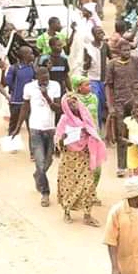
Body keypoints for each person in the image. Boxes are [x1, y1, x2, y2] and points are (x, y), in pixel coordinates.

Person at [106, 39, 138, 177]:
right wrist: (110, 105)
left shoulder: (135, 61)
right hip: (120, 104)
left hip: (137, 103)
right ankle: (121, 166)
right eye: (124, 50)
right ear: (118, 51)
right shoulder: (112, 65)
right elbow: (108, 85)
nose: (127, 53)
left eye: (128, 50)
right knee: (121, 135)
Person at [12, 66, 61, 207]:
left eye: (47, 77)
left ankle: (38, 175)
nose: (45, 80)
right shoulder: (29, 87)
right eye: (43, 78)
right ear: (37, 77)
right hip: (35, 129)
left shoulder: (55, 86)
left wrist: (46, 96)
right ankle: (45, 193)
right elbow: (25, 107)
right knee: (39, 162)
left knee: (48, 161)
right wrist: (17, 127)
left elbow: (57, 109)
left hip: (50, 129)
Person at [55, 93, 106, 226]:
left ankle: (87, 215)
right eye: (70, 103)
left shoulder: (85, 117)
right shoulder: (64, 120)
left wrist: (90, 136)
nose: (74, 105)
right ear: (65, 106)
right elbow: (57, 141)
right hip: (69, 159)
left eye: (75, 102)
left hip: (84, 156)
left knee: (88, 185)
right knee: (68, 186)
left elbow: (94, 132)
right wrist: (63, 139)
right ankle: (66, 211)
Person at [4, 46, 36, 153]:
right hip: (16, 101)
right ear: (23, 56)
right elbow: (7, 82)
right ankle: (12, 145)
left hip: (29, 102)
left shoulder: (32, 67)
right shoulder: (14, 68)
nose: (32, 55)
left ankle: (33, 151)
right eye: (30, 53)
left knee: (31, 127)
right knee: (14, 124)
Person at [83, 26, 109, 128]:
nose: (102, 34)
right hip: (93, 79)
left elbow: (111, 58)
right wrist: (88, 61)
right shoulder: (88, 48)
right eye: (99, 33)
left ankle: (103, 122)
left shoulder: (105, 46)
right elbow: (85, 66)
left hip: (103, 79)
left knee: (103, 102)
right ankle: (97, 126)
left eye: (102, 32)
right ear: (93, 35)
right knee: (96, 102)